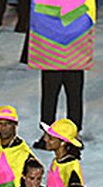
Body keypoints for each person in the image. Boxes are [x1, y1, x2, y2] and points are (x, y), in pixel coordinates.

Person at [22, 0, 94, 135]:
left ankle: (58, 133)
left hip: (61, 44)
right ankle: (60, 132)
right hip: (66, 44)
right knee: (67, 93)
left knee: (57, 93)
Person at [40, 119, 84, 187]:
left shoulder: (71, 167)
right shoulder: (57, 161)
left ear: (62, 143)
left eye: (51, 138)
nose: (45, 139)